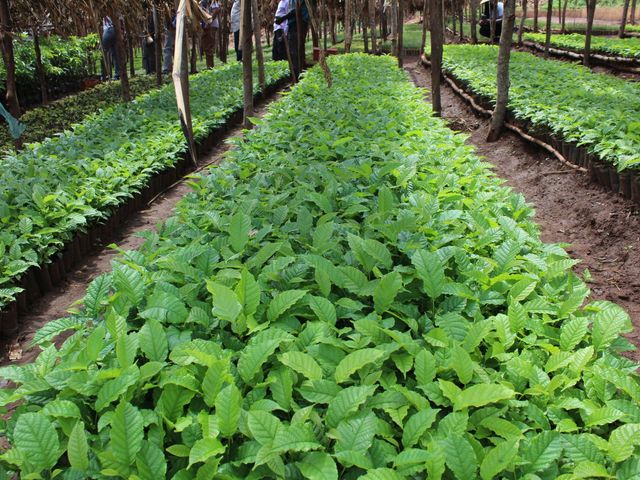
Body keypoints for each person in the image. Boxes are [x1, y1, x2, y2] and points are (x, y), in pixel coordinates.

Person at [276, 0, 309, 76]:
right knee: (296, 49)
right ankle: (298, 73)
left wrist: (283, 18)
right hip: (295, 24)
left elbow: (296, 10)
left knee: (294, 51)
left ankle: (296, 74)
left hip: (298, 25)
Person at [200, 0, 221, 69]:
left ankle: (210, 66)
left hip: (211, 26)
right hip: (206, 26)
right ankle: (209, 65)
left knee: (209, 46)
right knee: (206, 46)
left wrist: (208, 22)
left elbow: (216, 11)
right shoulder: (202, 2)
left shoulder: (212, 2)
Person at [162, 7, 177, 74]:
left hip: (172, 26)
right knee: (171, 48)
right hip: (172, 24)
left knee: (168, 48)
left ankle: (167, 68)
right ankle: (171, 67)